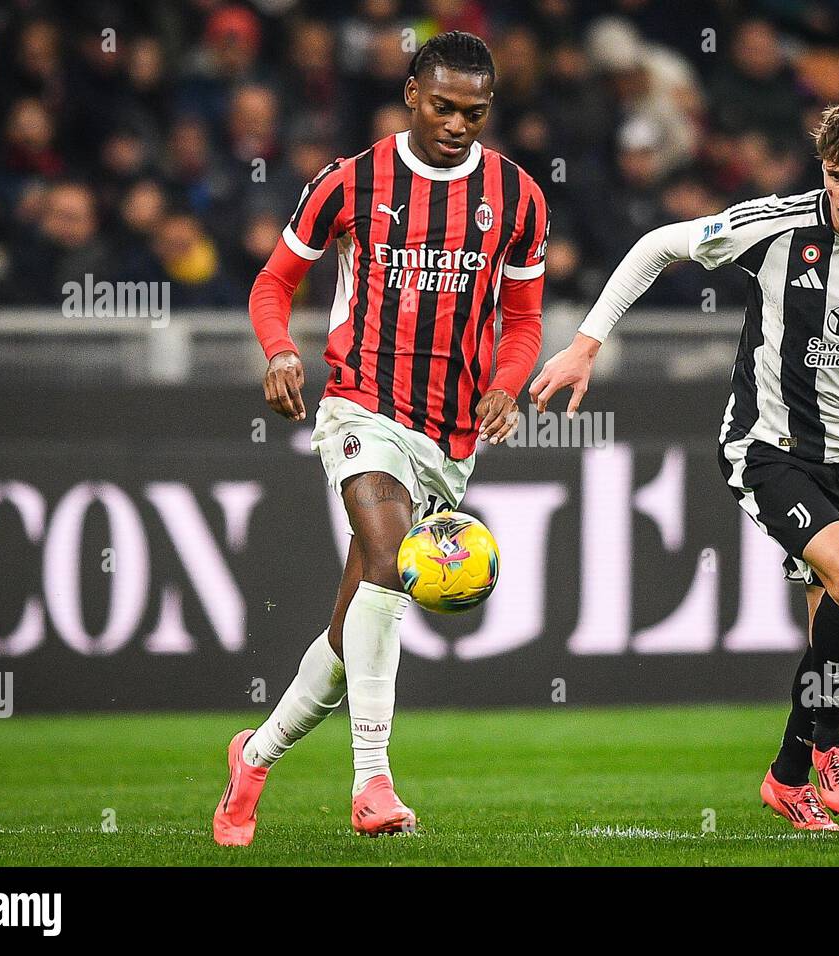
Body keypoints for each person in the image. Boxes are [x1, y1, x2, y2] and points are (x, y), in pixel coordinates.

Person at [530, 94, 839, 832]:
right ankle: (834, 741)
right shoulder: (775, 225)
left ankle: (787, 776)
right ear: (822, 170)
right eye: (837, 174)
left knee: (837, 624)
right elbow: (658, 244)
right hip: (766, 445)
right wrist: (586, 344)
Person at [214, 31, 549, 844]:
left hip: (451, 435)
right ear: (410, 94)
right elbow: (273, 283)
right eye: (443, 106)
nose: (458, 124)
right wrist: (281, 350)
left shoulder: (519, 197)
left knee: (350, 627)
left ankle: (252, 759)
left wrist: (505, 385)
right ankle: (373, 783)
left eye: (474, 111)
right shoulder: (349, 181)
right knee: (396, 558)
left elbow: (525, 318)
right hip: (362, 407)